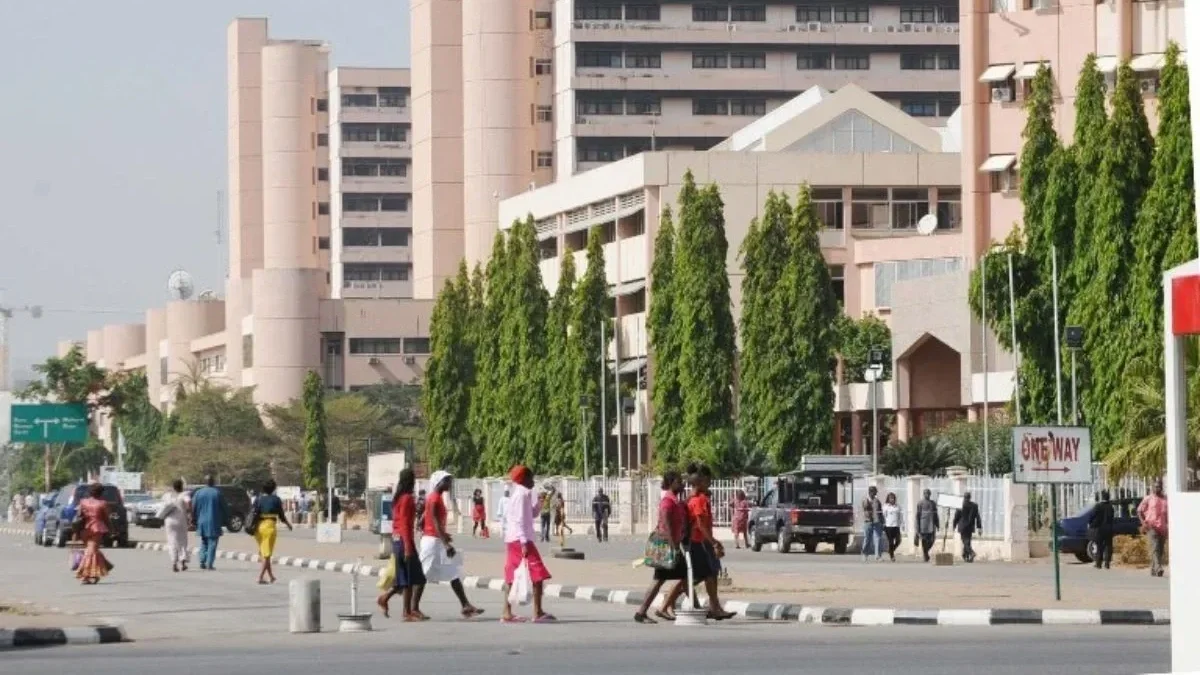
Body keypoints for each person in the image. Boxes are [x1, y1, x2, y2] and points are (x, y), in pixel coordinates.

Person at [420, 471, 484, 618]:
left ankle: (466, 605)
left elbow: (430, 521)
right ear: (439, 482)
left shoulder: (438, 498)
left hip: (438, 540)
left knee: (453, 572)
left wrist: (445, 536)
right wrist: (446, 544)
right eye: (447, 481)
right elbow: (435, 523)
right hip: (432, 542)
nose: (450, 484)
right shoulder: (434, 499)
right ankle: (411, 607)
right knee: (422, 575)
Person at [502, 465, 555, 623]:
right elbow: (519, 521)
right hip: (521, 540)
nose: (533, 481)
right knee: (538, 573)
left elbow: (531, 514)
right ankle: (537, 612)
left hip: (514, 539)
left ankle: (506, 612)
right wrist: (524, 543)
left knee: (511, 575)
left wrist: (540, 502)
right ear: (523, 479)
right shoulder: (522, 495)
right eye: (531, 478)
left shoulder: (521, 494)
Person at [682, 463, 735, 621]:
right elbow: (700, 524)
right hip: (699, 542)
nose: (709, 483)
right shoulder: (698, 500)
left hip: (702, 541)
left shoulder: (696, 499)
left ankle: (715, 607)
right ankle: (668, 603)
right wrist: (713, 542)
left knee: (708, 575)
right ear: (700, 482)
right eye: (707, 480)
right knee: (695, 577)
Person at [634, 470, 687, 624]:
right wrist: (673, 547)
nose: (682, 484)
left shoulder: (674, 500)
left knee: (674, 578)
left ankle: (643, 611)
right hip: (667, 546)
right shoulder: (667, 502)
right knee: (673, 578)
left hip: (672, 545)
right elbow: (666, 526)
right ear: (671, 483)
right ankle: (643, 611)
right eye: (679, 481)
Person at [377, 469, 428, 621]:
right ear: (410, 480)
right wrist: (407, 546)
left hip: (398, 539)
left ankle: (388, 599)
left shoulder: (398, 498)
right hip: (404, 540)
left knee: (407, 578)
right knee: (412, 578)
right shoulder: (406, 499)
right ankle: (406, 612)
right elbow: (405, 524)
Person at [252, 479, 293, 584]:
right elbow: (281, 515)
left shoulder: (258, 499)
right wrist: (288, 524)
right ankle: (260, 577)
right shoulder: (276, 500)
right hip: (269, 527)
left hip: (258, 528)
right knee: (266, 554)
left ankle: (271, 576)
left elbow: (253, 512)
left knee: (265, 553)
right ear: (274, 489)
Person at [73, 483, 114, 584]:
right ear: (101, 493)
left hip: (85, 529)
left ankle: (94, 573)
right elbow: (106, 519)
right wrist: (111, 530)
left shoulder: (83, 502)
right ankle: (85, 575)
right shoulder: (102, 503)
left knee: (91, 550)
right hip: (97, 529)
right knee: (91, 551)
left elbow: (78, 516)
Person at [191, 475, 227, 571]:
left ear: (205, 482)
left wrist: (193, 519)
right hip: (214, 521)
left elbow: (193, 507)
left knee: (204, 541)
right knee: (212, 543)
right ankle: (209, 564)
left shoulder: (198, 493)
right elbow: (224, 507)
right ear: (213, 482)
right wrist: (226, 519)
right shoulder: (217, 493)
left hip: (201, 521)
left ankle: (202, 561)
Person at [155, 479, 191, 572]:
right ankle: (183, 563)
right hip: (181, 521)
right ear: (181, 486)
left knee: (172, 542)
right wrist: (189, 511)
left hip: (169, 522)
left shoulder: (167, 495)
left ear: (173, 487)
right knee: (183, 541)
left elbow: (162, 506)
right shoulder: (184, 495)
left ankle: (174, 563)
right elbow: (188, 502)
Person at [1137, 479, 1168, 577]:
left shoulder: (1165, 499)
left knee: (1160, 550)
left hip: (1162, 527)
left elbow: (1167, 514)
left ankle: (1153, 568)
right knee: (1155, 548)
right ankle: (1159, 568)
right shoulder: (1148, 498)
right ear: (1152, 488)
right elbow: (1139, 511)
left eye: (1158, 486)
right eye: (1155, 486)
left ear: (1161, 487)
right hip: (1151, 526)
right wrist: (1143, 522)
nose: (1157, 488)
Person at [1088, 490, 1115, 570]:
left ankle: (1098, 563)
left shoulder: (1098, 506)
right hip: (1108, 528)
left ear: (1102, 497)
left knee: (1099, 546)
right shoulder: (1110, 507)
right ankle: (1107, 563)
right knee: (1108, 546)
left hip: (1099, 529)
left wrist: (1091, 523)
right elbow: (1112, 517)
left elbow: (1091, 516)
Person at [953, 491, 982, 563]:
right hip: (970, 526)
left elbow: (956, 517)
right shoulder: (974, 505)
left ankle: (972, 553)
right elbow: (977, 517)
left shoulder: (960, 505)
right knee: (968, 541)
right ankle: (966, 556)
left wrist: (954, 525)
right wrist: (979, 527)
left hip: (962, 526)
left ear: (964, 497)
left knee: (965, 541)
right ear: (970, 497)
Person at [915, 489, 939, 562]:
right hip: (923, 525)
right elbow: (918, 515)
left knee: (932, 540)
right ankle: (925, 555)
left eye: (928, 493)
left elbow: (935, 514)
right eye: (925, 493)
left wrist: (937, 524)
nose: (927, 495)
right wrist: (917, 527)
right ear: (923, 494)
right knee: (924, 541)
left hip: (931, 525)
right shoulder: (920, 503)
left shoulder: (933, 503)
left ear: (930, 494)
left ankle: (925, 552)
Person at [861, 486, 884, 562]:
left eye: (875, 492)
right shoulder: (865, 500)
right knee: (867, 539)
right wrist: (868, 502)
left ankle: (878, 556)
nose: (875, 494)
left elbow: (880, 512)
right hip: (868, 521)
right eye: (874, 492)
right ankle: (865, 554)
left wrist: (882, 522)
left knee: (878, 539)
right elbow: (864, 508)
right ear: (870, 492)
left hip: (877, 522)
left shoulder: (877, 501)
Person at [882, 492, 903, 562]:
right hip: (888, 526)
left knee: (898, 541)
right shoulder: (886, 506)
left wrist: (902, 524)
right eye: (891, 498)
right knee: (891, 542)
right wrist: (883, 525)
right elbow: (883, 516)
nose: (892, 500)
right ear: (888, 499)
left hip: (896, 526)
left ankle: (891, 550)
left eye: (893, 498)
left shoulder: (898, 506)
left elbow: (901, 516)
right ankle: (892, 556)